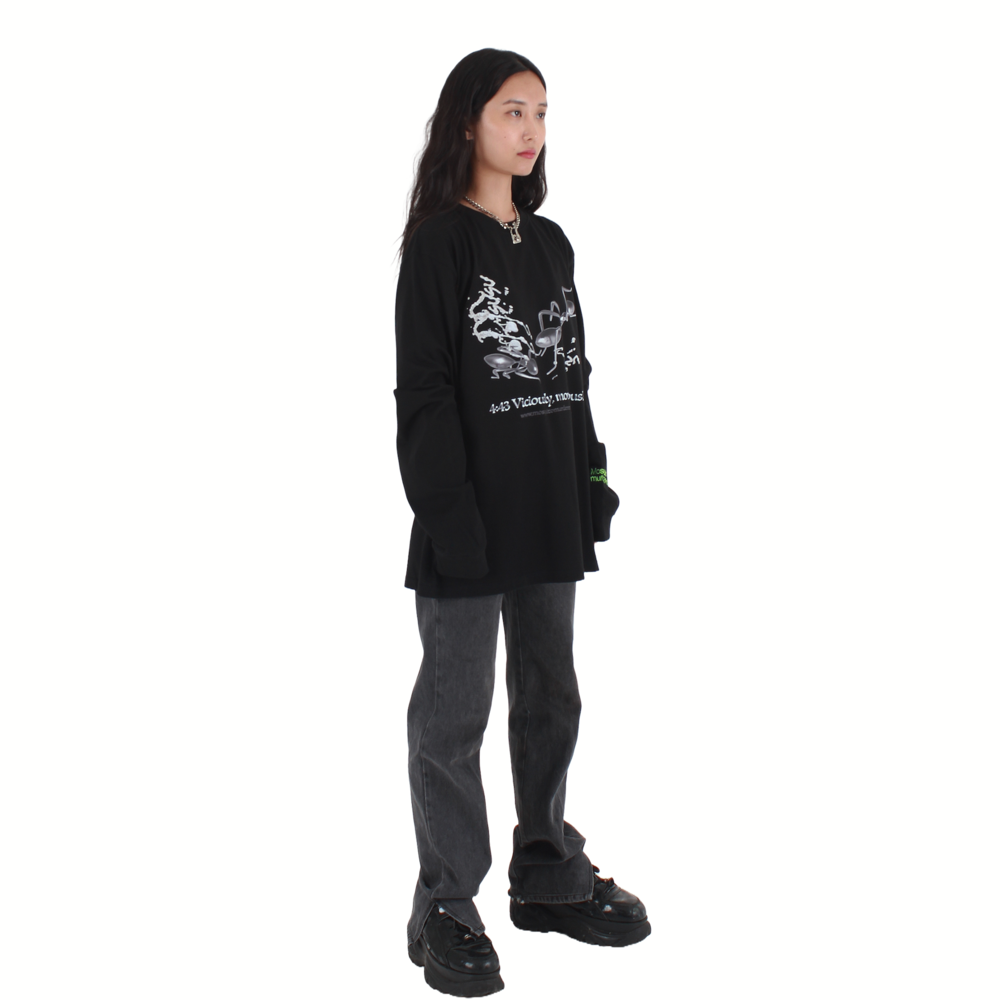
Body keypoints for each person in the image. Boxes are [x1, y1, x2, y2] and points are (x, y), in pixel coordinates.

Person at [393, 48, 649, 996]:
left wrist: (592, 475)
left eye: (541, 112)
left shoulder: (549, 243)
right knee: (453, 716)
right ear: (469, 121)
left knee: (551, 696)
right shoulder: (438, 245)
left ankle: (546, 873)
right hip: (469, 515)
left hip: (547, 506)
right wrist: (446, 511)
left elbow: (573, 369)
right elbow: (422, 392)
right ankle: (445, 904)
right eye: (512, 110)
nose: (531, 129)